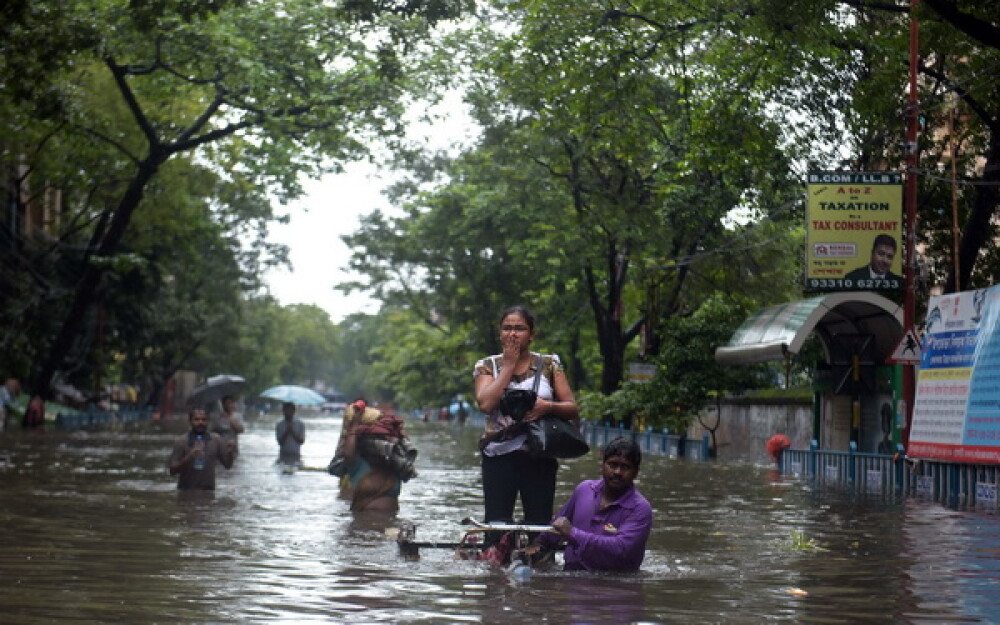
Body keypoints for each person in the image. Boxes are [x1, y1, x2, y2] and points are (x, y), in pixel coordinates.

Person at [473, 305, 579, 531]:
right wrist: (508, 367)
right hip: (498, 457)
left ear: (531, 335)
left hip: (539, 455)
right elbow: (486, 404)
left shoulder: (550, 364)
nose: (512, 334)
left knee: (539, 525)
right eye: (507, 328)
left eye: (519, 328)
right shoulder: (486, 365)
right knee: (496, 526)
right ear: (500, 333)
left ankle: (539, 561)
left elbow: (572, 408)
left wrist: (547, 407)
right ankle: (495, 564)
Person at [527, 437, 653, 572]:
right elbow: (556, 528)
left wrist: (573, 533)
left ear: (636, 472)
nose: (617, 472)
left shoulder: (640, 509)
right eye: (613, 464)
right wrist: (535, 547)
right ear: (602, 465)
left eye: (625, 467)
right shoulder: (584, 490)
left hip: (614, 584)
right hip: (571, 578)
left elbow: (621, 549)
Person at [333, 400, 412, 514]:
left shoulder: (393, 464)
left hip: (390, 524)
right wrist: (354, 425)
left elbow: (406, 449)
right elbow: (348, 453)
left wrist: (397, 429)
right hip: (361, 525)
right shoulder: (358, 465)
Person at [168, 408, 235, 490]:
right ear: (190, 421)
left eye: (204, 420)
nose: (200, 422)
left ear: (208, 421)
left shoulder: (216, 440)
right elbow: (172, 471)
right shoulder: (181, 441)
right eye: (196, 419)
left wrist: (230, 452)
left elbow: (228, 465)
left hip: (208, 491)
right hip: (186, 492)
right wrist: (188, 458)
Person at [275, 402, 306, 467]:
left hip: (295, 454)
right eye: (286, 410)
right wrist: (287, 431)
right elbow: (280, 442)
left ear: (294, 411)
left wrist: (292, 431)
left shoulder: (300, 424)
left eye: (290, 410)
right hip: (283, 454)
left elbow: (301, 441)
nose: (287, 412)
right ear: (283, 411)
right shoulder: (279, 425)